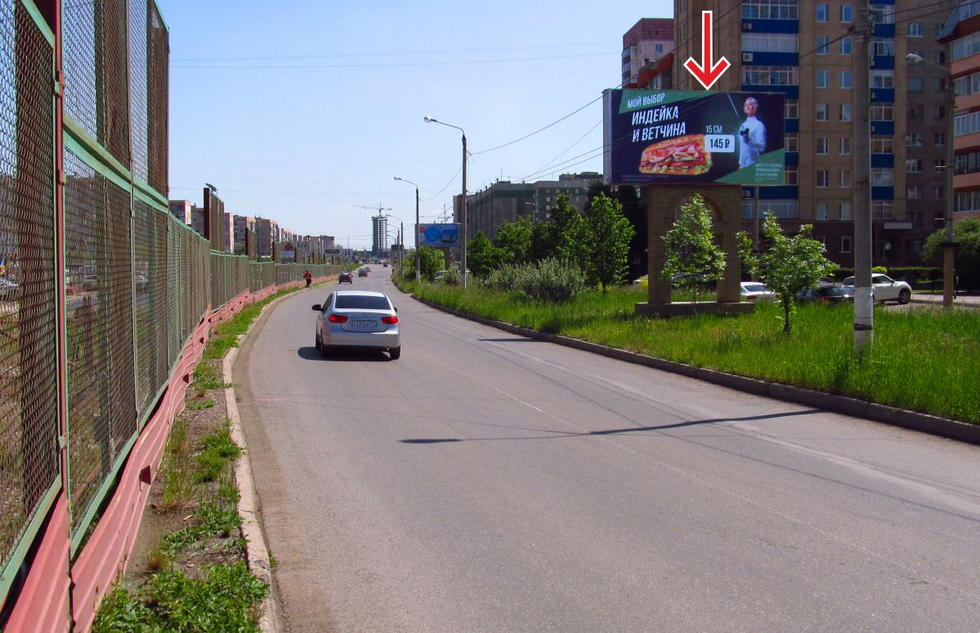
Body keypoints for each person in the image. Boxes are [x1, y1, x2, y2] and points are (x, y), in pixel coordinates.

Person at [738, 97, 766, 169]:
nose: (747, 106)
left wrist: (749, 141)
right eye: (745, 105)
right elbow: (742, 147)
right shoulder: (742, 125)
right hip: (742, 165)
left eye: (750, 104)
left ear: (755, 107)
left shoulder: (759, 125)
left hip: (753, 164)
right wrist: (740, 163)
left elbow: (762, 147)